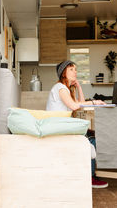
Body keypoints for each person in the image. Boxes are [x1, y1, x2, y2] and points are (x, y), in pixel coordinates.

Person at [46, 60, 109, 189]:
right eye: (71, 69)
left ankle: (90, 174)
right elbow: (75, 106)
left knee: (91, 133)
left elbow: (81, 103)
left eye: (75, 69)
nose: (75, 71)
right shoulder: (60, 88)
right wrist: (95, 102)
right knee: (91, 138)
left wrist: (79, 86)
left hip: (62, 126)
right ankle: (90, 177)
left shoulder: (66, 89)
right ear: (63, 73)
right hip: (58, 127)